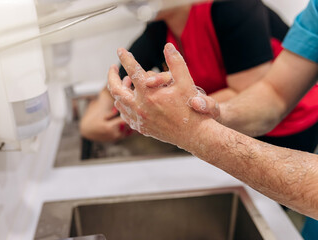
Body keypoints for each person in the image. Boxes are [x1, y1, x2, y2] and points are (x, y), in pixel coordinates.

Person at [107, 0, 318, 221]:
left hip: (294, 128)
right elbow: (274, 93)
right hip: (255, 124)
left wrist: (194, 129)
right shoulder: (160, 27)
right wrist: (213, 111)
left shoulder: (233, 8)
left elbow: (257, 89)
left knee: (275, 215)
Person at [80, 0, 318, 155]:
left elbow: (248, 92)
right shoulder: (160, 28)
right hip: (229, 125)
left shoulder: (233, 8)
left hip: (287, 125)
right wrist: (91, 119)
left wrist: (164, 111)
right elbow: (117, 80)